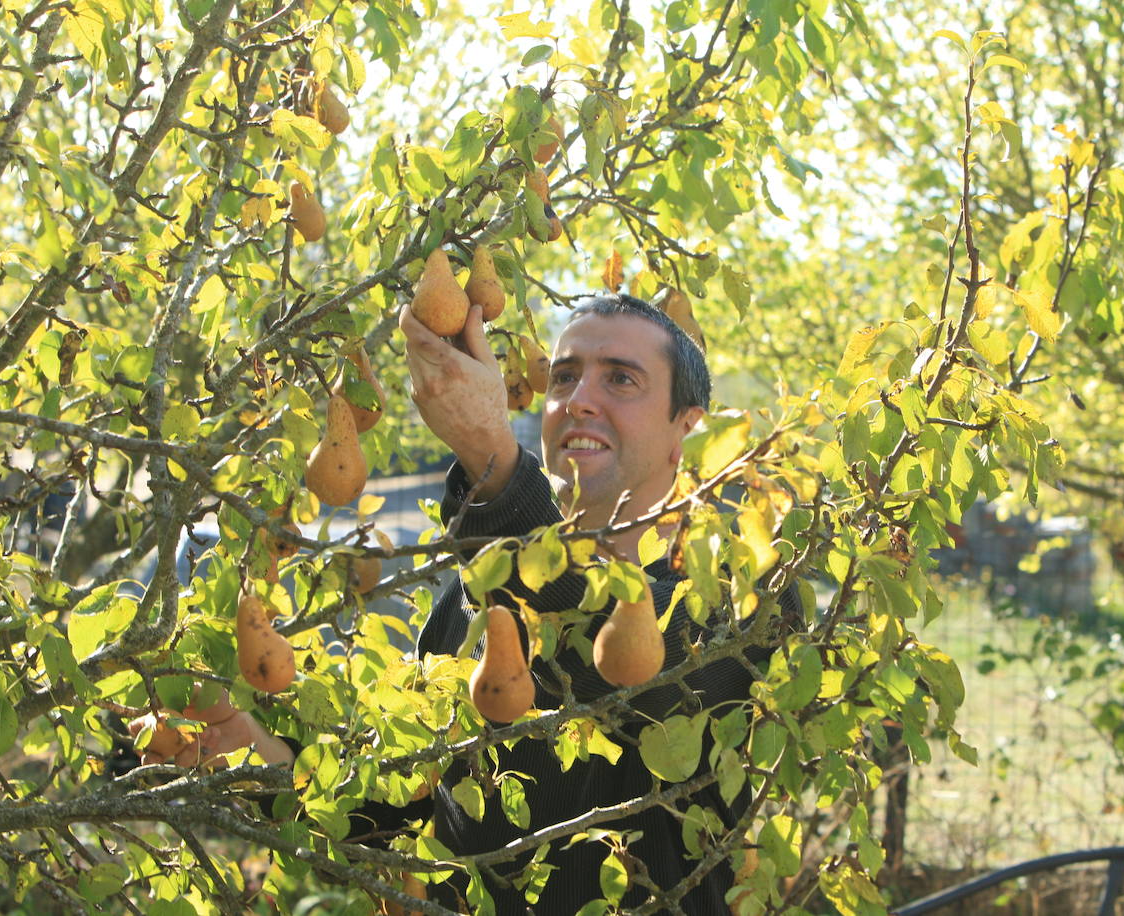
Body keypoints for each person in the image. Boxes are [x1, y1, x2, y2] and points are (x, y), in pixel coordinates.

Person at [143, 293, 794, 913]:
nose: (578, 401)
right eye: (563, 378)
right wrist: (256, 755)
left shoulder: (743, 584)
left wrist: (498, 472)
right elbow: (402, 805)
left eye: (620, 380)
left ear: (688, 425)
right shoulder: (478, 593)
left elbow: (635, 674)